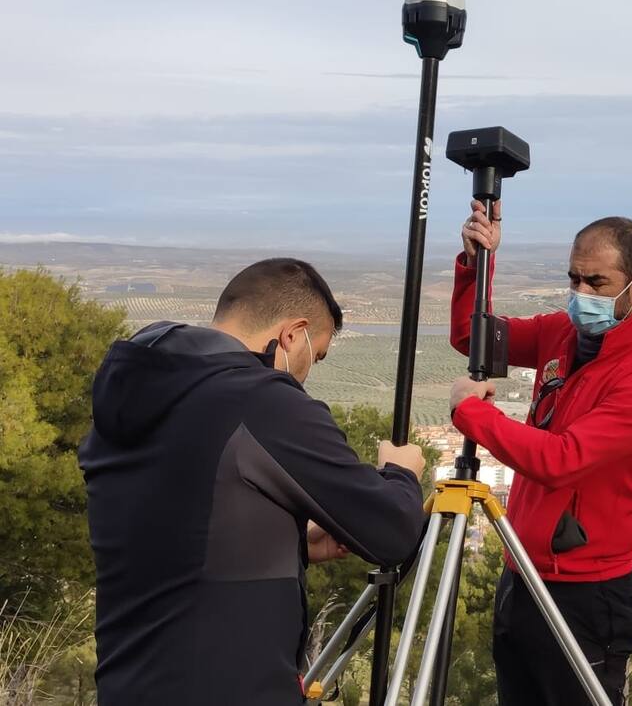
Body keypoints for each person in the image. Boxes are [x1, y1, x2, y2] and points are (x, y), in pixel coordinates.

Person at [79, 258, 427, 706]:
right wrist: (400, 471)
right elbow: (393, 532)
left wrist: (294, 543)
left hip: (127, 686)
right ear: (291, 334)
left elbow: (177, 529)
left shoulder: (138, 391)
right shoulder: (264, 402)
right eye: (314, 355)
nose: (306, 371)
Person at [448, 202, 632, 706]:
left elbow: (561, 459)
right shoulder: (564, 333)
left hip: (587, 595)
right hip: (522, 576)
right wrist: (474, 266)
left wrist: (474, 414)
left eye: (596, 283)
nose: (580, 294)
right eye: (573, 279)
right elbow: (475, 339)